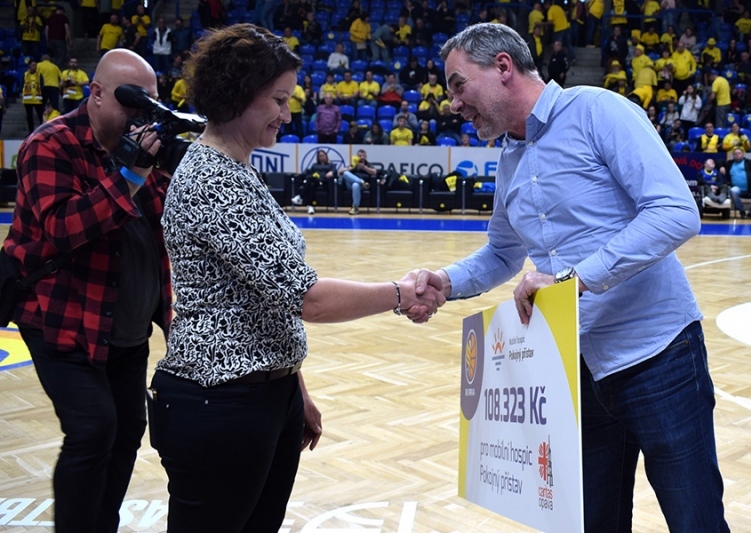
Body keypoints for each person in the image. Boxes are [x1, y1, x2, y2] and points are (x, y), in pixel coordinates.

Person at [409, 23, 730, 533]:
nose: (452, 103)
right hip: (573, 369)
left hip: (658, 354)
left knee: (696, 521)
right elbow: (502, 253)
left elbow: (674, 211)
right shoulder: (509, 162)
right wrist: (444, 281)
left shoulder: (598, 110)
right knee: (594, 523)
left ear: (502, 67)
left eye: (456, 84)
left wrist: (572, 280)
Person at [150, 25, 442, 533]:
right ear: (239, 94)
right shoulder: (212, 181)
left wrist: (291, 385)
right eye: (279, 99)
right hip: (219, 403)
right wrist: (401, 293)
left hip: (262, 396)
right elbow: (307, 298)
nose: (288, 113)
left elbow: (261, 298)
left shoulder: (237, 170)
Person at [3, 49, 169, 533]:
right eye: (131, 102)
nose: (142, 116)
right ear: (95, 94)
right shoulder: (50, 145)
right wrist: (132, 174)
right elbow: (63, 227)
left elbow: (159, 235)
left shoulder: (143, 151)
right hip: (62, 322)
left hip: (125, 328)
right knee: (93, 429)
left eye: (150, 104)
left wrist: (170, 311)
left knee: (126, 435)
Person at [720, 147, 751, 218]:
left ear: (743, 154)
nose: (737, 155)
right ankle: (742, 211)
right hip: (738, 189)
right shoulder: (730, 164)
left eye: (739, 153)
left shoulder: (750, 163)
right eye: (735, 154)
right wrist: (721, 167)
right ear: (733, 155)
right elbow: (718, 162)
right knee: (733, 190)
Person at [291, 149, 337, 214]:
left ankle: (300, 196)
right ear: (318, 157)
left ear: (326, 156)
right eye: (320, 156)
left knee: (311, 181)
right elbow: (309, 174)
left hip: (324, 182)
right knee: (311, 184)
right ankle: (310, 207)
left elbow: (335, 171)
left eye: (323, 155)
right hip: (315, 181)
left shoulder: (330, 165)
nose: (322, 157)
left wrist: (332, 172)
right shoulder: (314, 165)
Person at [339, 148, 377, 214]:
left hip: (362, 187)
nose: (361, 157)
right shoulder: (353, 164)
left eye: (363, 156)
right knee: (345, 173)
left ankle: (355, 207)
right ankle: (361, 181)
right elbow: (340, 172)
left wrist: (364, 167)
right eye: (360, 156)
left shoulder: (368, 165)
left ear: (366, 157)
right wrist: (350, 168)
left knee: (355, 185)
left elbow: (374, 172)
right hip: (350, 185)